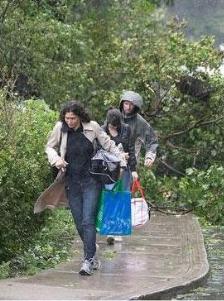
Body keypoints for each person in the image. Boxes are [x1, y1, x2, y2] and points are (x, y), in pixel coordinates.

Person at [41, 101, 127, 276]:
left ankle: (88, 260)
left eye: (73, 118)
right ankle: (91, 249)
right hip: (71, 182)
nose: (70, 121)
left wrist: (122, 162)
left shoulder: (92, 127)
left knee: (88, 220)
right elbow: (49, 146)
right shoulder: (60, 128)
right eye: (67, 118)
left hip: (91, 181)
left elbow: (108, 144)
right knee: (79, 222)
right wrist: (56, 159)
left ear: (79, 116)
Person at [102, 107, 137, 245]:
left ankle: (119, 230)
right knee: (110, 197)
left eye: (117, 125)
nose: (114, 127)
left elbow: (131, 149)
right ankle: (110, 230)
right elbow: (98, 150)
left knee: (122, 197)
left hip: (124, 168)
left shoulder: (126, 129)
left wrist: (133, 169)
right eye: (112, 125)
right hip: (108, 170)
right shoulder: (102, 130)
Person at [119, 90, 158, 176]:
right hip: (112, 160)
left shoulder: (140, 122)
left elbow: (152, 141)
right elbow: (102, 135)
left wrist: (149, 157)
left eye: (131, 105)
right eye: (126, 103)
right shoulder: (114, 115)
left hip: (130, 163)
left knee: (125, 188)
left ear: (136, 106)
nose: (128, 107)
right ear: (122, 103)